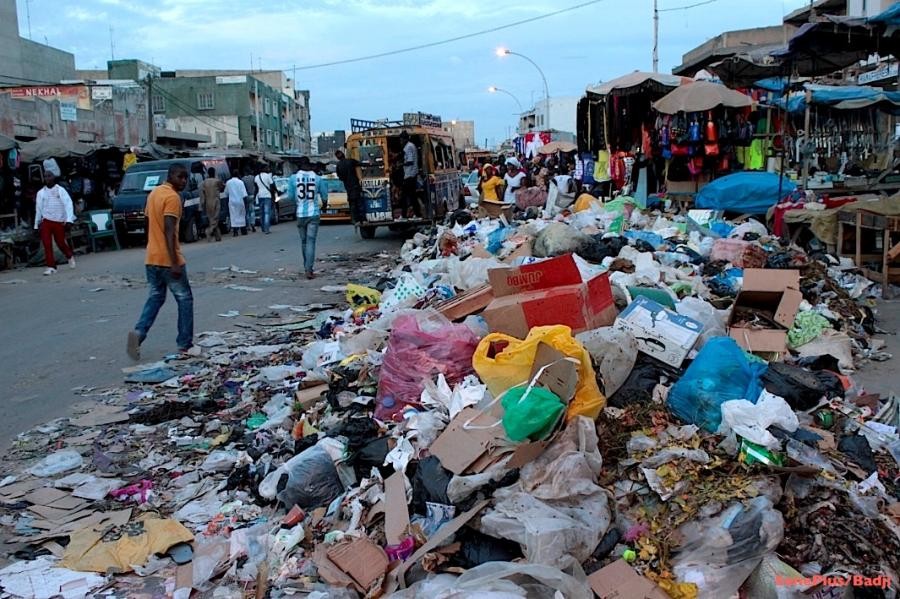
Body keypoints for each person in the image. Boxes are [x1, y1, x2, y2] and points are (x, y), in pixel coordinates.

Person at [127, 163, 194, 360]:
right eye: (180, 177)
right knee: (184, 299)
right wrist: (174, 262)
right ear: (171, 176)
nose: (183, 181)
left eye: (185, 178)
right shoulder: (172, 197)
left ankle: (138, 335)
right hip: (168, 259)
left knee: (156, 297)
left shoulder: (154, 193)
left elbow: (150, 222)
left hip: (152, 257)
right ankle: (184, 344)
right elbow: (168, 230)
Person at [290, 157, 328, 279]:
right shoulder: (317, 178)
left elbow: (290, 196)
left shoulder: (293, 178)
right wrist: (324, 206)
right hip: (313, 213)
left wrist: (298, 202)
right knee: (311, 241)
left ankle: (306, 266)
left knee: (304, 241)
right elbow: (324, 195)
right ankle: (309, 269)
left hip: (300, 214)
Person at [34, 171, 76, 275]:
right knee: (47, 244)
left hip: (58, 221)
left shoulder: (60, 190)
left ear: (53, 177)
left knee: (60, 242)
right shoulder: (41, 193)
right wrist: (36, 224)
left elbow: (68, 204)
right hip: (46, 221)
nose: (47, 178)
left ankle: (69, 255)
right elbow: (38, 209)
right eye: (45, 176)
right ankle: (51, 266)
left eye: (49, 176)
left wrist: (69, 220)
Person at [334, 150, 364, 224]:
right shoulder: (350, 161)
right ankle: (362, 218)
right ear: (344, 155)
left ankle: (354, 219)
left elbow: (340, 177)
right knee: (359, 203)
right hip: (355, 185)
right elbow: (360, 164)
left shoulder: (338, 165)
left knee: (352, 203)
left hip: (348, 187)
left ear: (337, 158)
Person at [399, 131, 422, 218]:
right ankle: (417, 214)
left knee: (405, 196)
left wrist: (401, 164)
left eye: (401, 140)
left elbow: (410, 161)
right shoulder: (412, 146)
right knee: (412, 196)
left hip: (409, 174)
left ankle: (404, 215)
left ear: (405, 139)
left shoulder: (408, 147)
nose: (400, 142)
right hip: (412, 173)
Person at [201, 167, 223, 242]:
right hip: (216, 201)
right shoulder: (217, 181)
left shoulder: (204, 182)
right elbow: (222, 188)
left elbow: (202, 194)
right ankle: (209, 231)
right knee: (216, 218)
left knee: (211, 219)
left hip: (208, 202)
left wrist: (201, 205)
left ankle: (218, 237)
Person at [254, 164, 277, 234]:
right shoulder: (268, 176)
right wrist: (276, 191)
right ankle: (267, 228)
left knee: (262, 213)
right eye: (267, 168)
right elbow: (272, 185)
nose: (268, 169)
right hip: (267, 196)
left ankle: (263, 228)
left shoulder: (257, 177)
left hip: (260, 196)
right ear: (264, 168)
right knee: (267, 212)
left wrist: (255, 197)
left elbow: (256, 189)